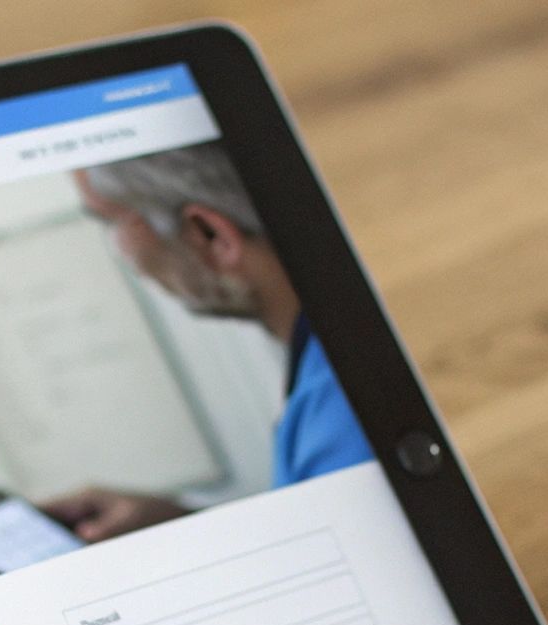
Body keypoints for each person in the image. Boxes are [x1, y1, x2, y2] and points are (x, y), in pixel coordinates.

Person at [43, 143, 375, 542]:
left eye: (110, 223)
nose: (121, 254)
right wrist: (181, 525)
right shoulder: (328, 364)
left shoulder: (342, 408)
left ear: (210, 234)